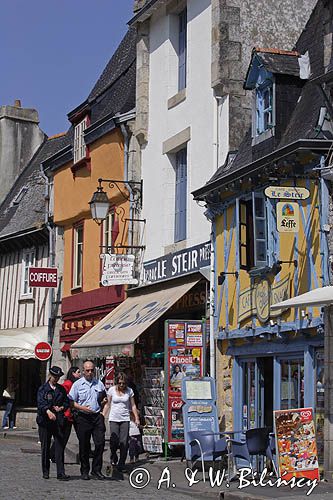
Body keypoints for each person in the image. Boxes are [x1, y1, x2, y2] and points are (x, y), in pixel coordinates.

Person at [68, 360, 107, 480]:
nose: (90, 372)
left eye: (92, 370)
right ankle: (85, 470)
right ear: (83, 371)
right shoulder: (77, 384)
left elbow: (104, 399)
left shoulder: (99, 384)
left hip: (96, 416)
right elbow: (71, 402)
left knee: (100, 443)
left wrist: (103, 411)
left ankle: (96, 470)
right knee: (84, 445)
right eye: (87, 370)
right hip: (83, 417)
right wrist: (82, 407)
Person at [36, 366, 70, 481]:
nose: (56, 379)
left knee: (59, 446)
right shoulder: (43, 389)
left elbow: (66, 402)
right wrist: (48, 410)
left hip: (58, 421)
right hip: (45, 422)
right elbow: (40, 404)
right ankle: (46, 471)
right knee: (45, 447)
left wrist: (61, 408)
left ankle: (61, 472)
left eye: (58, 377)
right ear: (50, 375)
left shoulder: (61, 389)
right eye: (55, 376)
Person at [105, 372, 140, 473]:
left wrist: (136, 418)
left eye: (123, 383)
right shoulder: (111, 390)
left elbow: (133, 406)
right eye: (120, 383)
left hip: (125, 418)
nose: (121, 385)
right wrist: (102, 415)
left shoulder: (129, 391)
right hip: (114, 418)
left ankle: (121, 463)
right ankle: (113, 455)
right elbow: (108, 404)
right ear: (117, 382)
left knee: (124, 442)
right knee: (114, 441)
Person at [50, 366, 81, 462]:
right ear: (73, 373)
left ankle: (54, 455)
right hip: (66, 414)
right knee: (62, 437)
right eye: (78, 372)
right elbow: (62, 396)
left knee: (64, 437)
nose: (80, 374)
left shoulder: (75, 383)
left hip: (71, 414)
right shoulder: (68, 383)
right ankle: (53, 455)